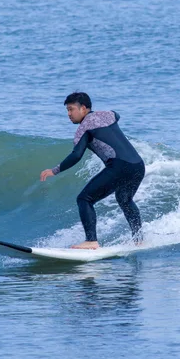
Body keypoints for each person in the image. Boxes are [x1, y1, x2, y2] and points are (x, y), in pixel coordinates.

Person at [40, 93, 146, 250]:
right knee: (125, 199)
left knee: (84, 199)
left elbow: (76, 155)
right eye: (67, 110)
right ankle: (139, 240)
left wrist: (54, 170)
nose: (69, 114)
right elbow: (117, 114)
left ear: (83, 108)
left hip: (119, 166)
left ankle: (91, 241)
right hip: (137, 165)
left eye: (71, 109)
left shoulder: (84, 128)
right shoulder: (108, 115)